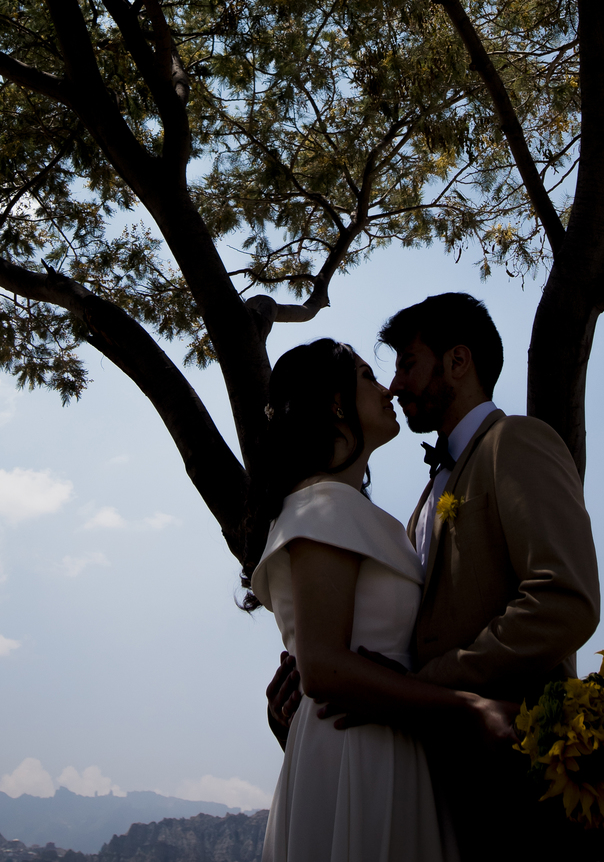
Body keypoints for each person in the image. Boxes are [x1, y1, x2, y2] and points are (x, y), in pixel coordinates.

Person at [266, 295, 604, 862]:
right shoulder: (417, 505)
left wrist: (429, 684)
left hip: (517, 779)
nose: (396, 385)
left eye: (407, 363)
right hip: (437, 782)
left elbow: (563, 599)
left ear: (458, 362)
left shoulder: (517, 442)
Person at [246, 336, 516, 862]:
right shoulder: (324, 506)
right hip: (359, 752)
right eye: (369, 376)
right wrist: (473, 708)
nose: (388, 387)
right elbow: (322, 669)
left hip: (390, 738)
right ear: (335, 403)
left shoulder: (355, 513)